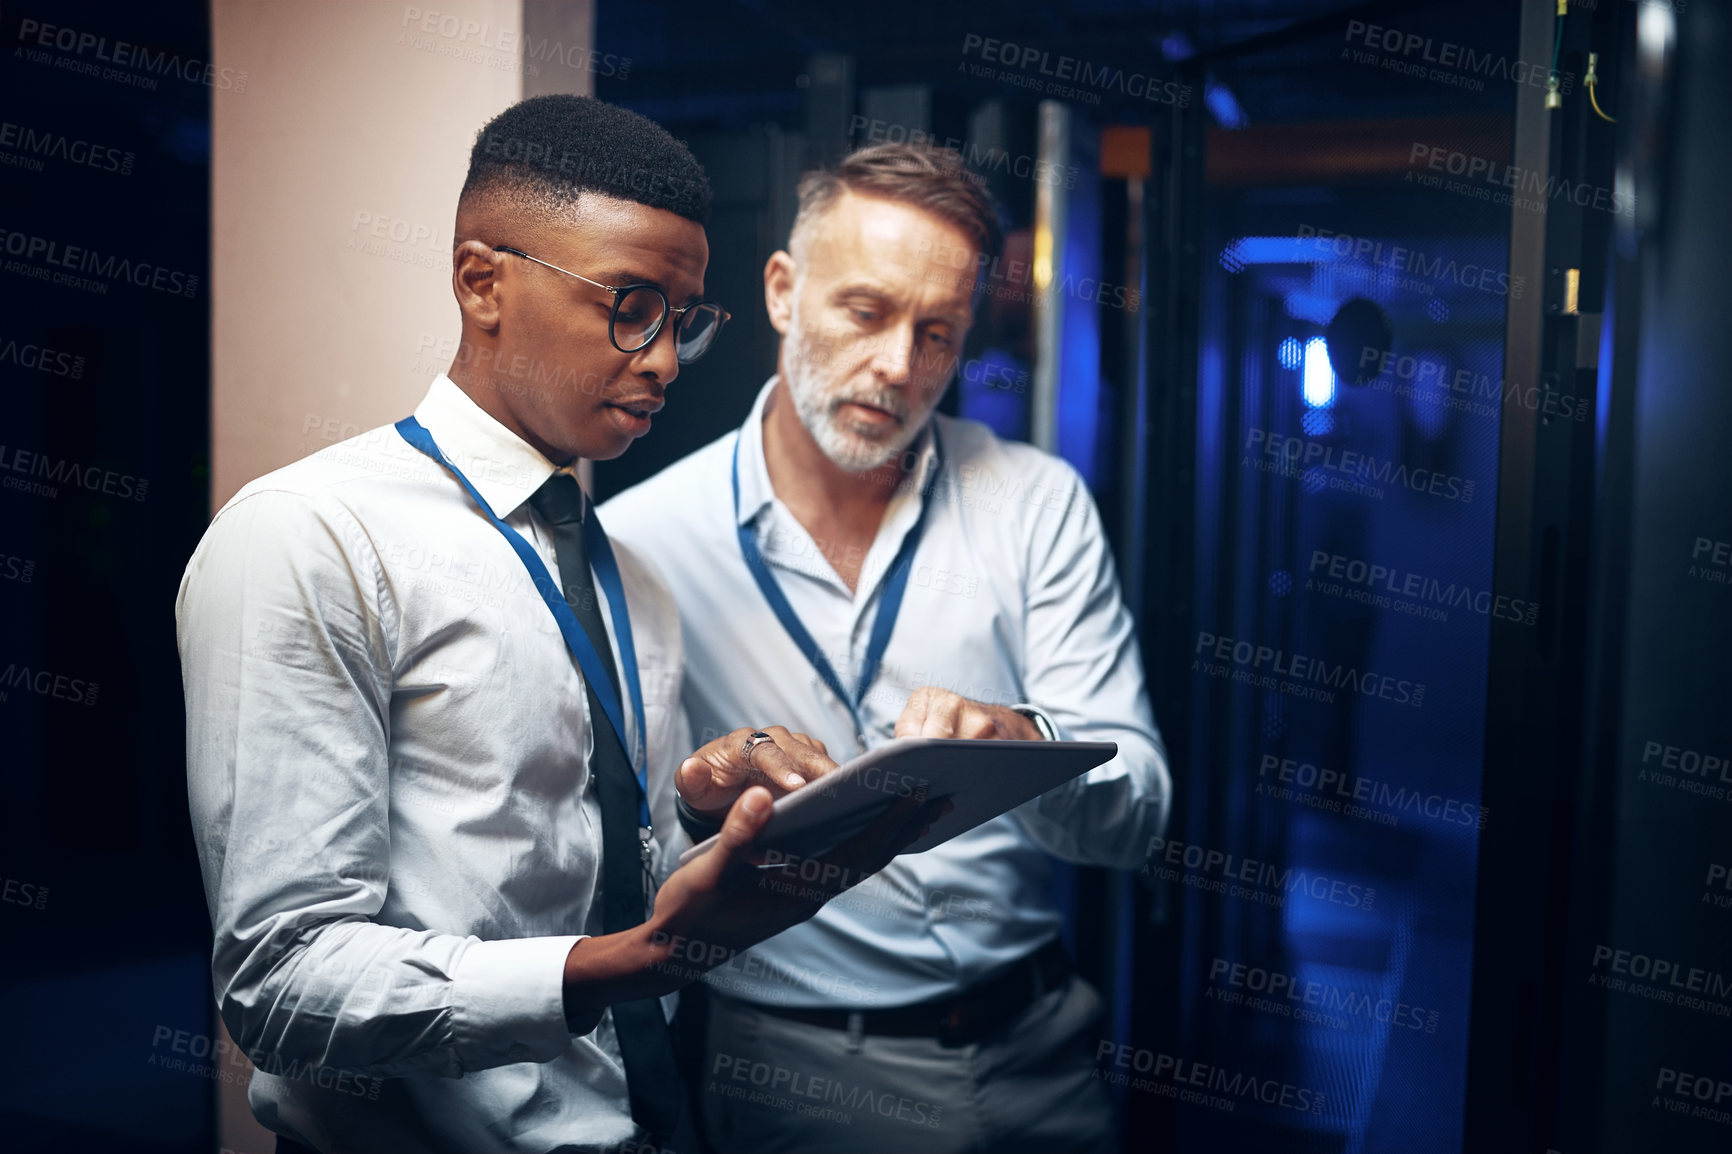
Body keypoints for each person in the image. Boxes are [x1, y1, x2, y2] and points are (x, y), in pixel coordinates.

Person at [176, 96, 932, 1154]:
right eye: (631, 306)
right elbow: (280, 982)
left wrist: (704, 810)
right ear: (482, 281)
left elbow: (594, 876)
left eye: (683, 318)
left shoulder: (632, 576)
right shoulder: (308, 536)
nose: (665, 359)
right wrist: (632, 962)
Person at [601, 142, 1172, 1153]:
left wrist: (1022, 741)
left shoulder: (1036, 503)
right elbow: (625, 874)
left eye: (939, 331)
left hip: (1043, 1050)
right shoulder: (644, 538)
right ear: (782, 290)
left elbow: (1137, 820)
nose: (901, 367)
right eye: (865, 312)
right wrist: (701, 799)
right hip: (794, 1073)